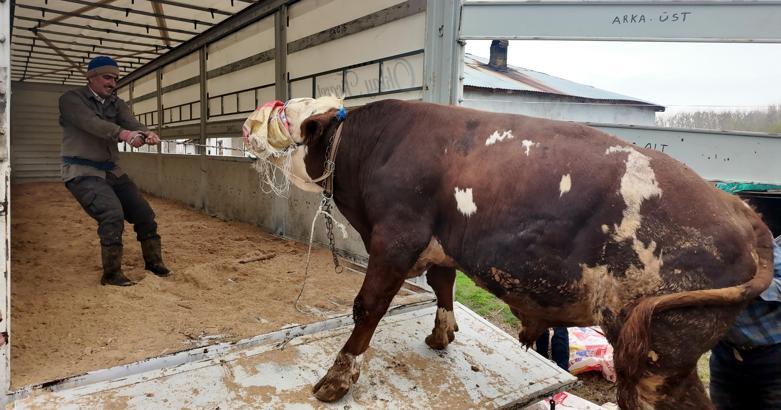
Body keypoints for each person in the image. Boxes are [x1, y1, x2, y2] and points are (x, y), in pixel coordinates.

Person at [59, 56, 170, 286]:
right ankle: (111, 274)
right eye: (107, 77)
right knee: (111, 214)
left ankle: (154, 263)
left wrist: (146, 132)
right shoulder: (71, 99)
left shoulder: (116, 103)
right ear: (91, 77)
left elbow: (131, 122)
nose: (112, 83)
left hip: (111, 170)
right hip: (82, 171)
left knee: (144, 214)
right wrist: (125, 135)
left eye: (115, 79)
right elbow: (92, 123)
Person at [709, 234, 781, 409]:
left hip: (773, 360)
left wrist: (749, 287)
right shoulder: (705, 250)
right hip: (725, 358)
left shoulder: (767, 246)